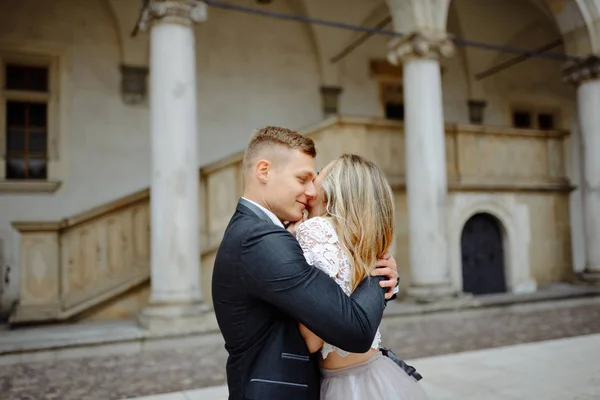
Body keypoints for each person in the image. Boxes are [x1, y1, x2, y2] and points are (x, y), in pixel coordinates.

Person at [212, 126, 399, 400]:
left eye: (314, 180)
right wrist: (378, 269)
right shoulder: (260, 238)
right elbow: (354, 330)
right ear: (263, 171)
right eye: (303, 179)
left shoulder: (264, 231)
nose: (311, 191)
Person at [294, 154, 430, 400]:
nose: (310, 185)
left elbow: (312, 341)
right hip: (378, 374)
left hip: (343, 385)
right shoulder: (364, 244)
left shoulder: (313, 231)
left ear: (335, 189)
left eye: (318, 176)